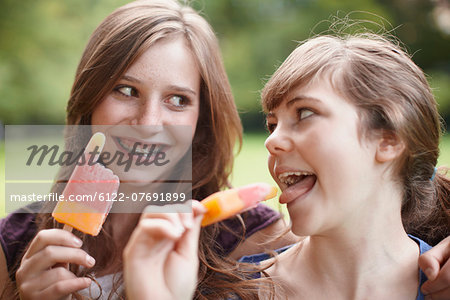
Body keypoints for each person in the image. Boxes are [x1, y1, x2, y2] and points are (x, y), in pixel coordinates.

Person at [0, 1, 294, 299]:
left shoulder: (255, 241)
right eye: (126, 90)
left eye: (177, 99)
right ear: (90, 98)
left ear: (201, 119)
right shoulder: (12, 244)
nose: (148, 123)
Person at [122, 32, 450, 299]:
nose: (272, 140)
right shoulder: (233, 294)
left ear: (389, 140)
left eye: (304, 113)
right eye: (271, 124)